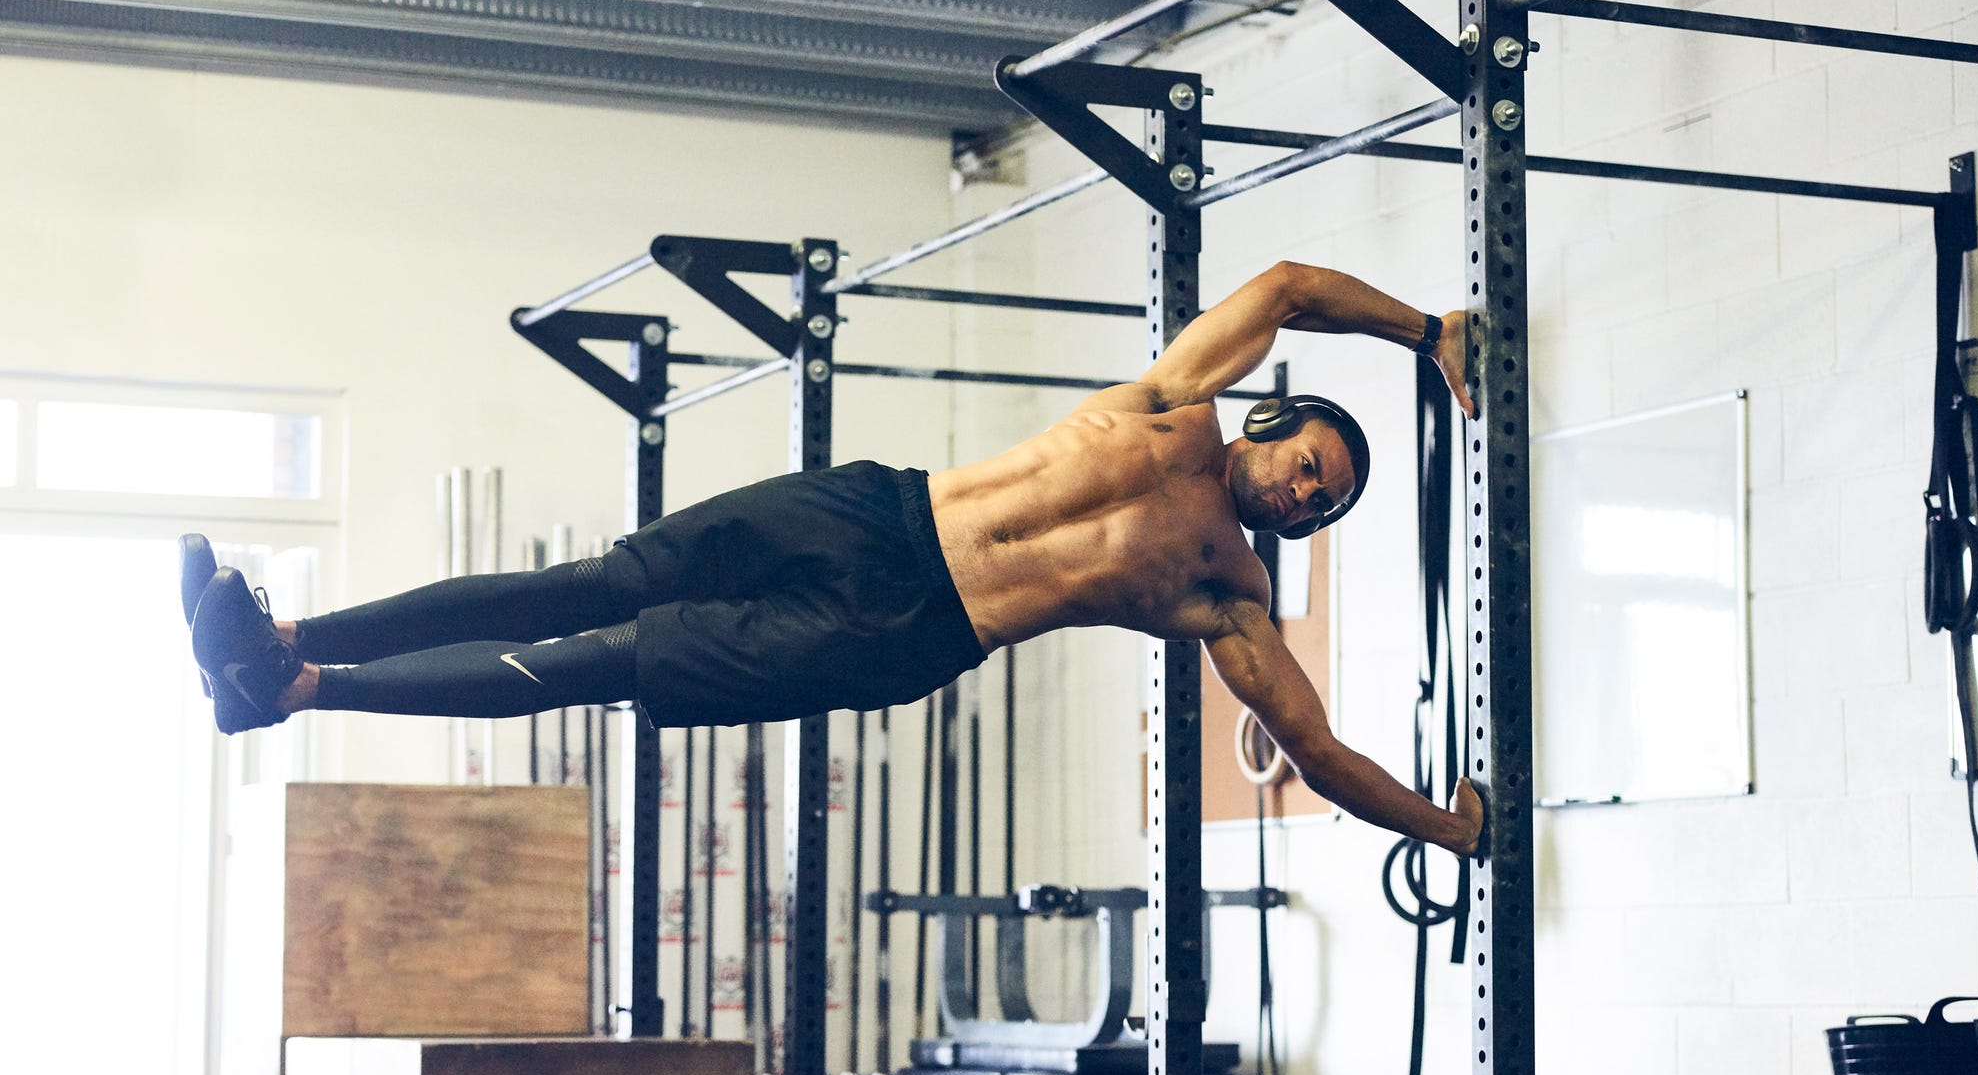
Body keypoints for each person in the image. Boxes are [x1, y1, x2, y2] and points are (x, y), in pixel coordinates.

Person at [184, 261, 1485, 856]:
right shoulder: (1171, 403)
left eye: (1323, 500)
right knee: (593, 579)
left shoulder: (1230, 598)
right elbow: (1291, 286)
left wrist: (1447, 823)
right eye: (1315, 457)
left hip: (911, 628)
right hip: (875, 511)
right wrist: (1426, 331)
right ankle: (287, 641)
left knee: (600, 659)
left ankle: (298, 695)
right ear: (1276, 422)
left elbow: (1314, 751)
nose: (1309, 486)